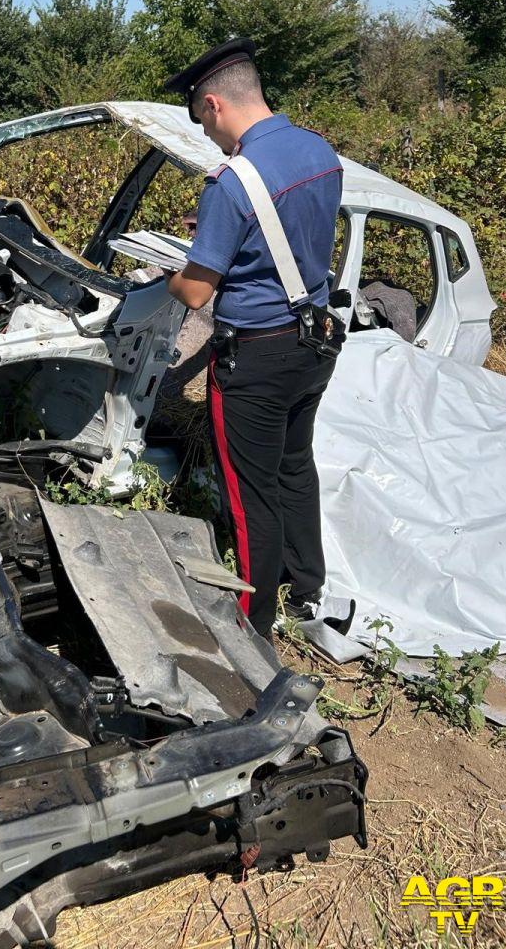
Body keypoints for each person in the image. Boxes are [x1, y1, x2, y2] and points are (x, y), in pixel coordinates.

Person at [163, 38, 343, 642]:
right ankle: (305, 589)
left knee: (248, 493)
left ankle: (254, 623)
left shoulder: (231, 182)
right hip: (314, 342)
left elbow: (194, 293)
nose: (209, 137)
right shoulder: (320, 151)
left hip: (256, 357)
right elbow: (294, 233)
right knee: (296, 466)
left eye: (201, 121)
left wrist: (172, 271)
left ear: (214, 104)